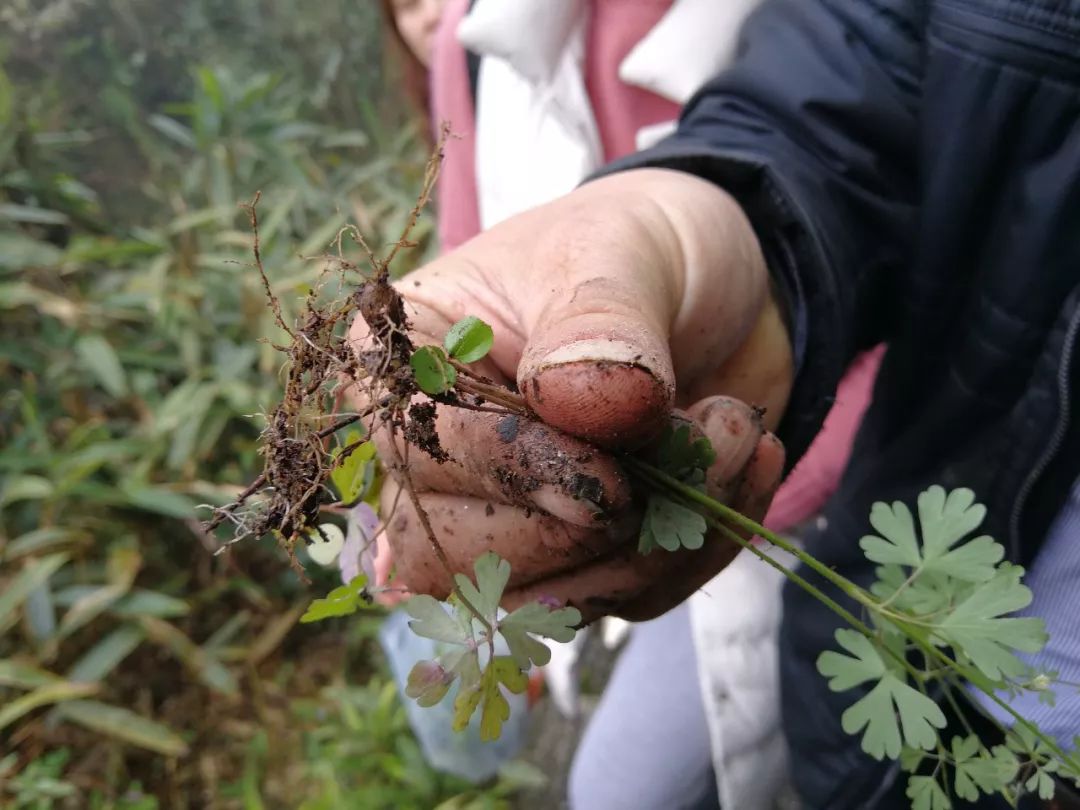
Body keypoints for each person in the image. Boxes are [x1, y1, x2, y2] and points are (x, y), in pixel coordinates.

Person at [352, 0, 1080, 807]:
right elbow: (845, 101)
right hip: (872, 587)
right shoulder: (475, 56)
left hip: (819, 502)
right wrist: (708, 217)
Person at [422, 2, 882, 807]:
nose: (422, 12)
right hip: (626, 509)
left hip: (800, 499)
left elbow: (851, 166)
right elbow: (464, 259)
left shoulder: (795, 33)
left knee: (624, 788)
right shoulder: (469, 47)